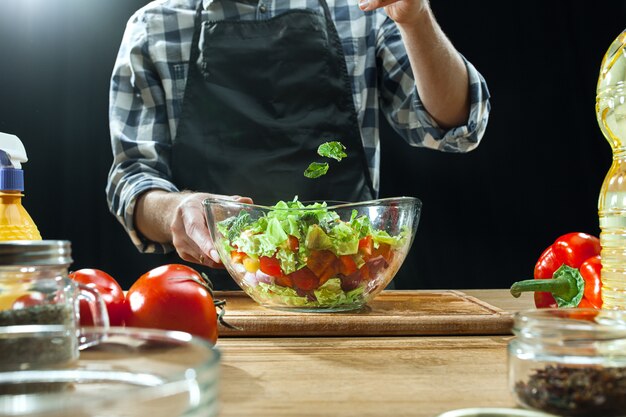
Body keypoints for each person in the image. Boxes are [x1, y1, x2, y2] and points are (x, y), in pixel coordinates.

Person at [106, 0, 490, 288]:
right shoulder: (154, 27)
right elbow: (132, 179)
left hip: (347, 287)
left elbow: (455, 126)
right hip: (209, 300)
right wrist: (176, 207)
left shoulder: (365, 10)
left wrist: (416, 19)